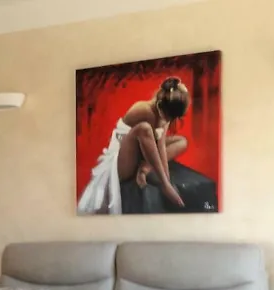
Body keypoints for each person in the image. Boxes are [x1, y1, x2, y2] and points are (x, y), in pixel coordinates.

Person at [77, 76, 190, 214]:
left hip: (145, 152)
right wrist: (165, 185)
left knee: (182, 142)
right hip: (121, 160)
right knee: (144, 128)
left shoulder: (165, 113)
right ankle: (144, 167)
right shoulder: (144, 110)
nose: (168, 121)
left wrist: (166, 181)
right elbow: (150, 141)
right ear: (160, 104)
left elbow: (160, 147)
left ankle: (145, 168)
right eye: (167, 117)